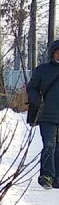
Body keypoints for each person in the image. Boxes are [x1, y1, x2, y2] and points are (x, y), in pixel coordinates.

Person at [26, 39, 59, 187]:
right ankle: (47, 176)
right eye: (57, 52)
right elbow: (31, 88)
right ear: (53, 53)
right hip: (47, 115)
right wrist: (38, 101)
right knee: (49, 145)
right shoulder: (42, 70)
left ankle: (57, 178)